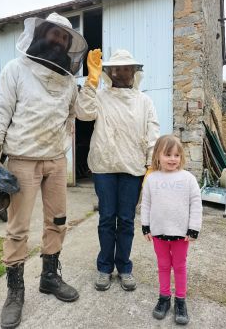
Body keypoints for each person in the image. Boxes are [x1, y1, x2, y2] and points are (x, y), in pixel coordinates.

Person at [0, 12, 97, 329]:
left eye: (64, 38)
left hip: (57, 160)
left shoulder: (69, 81)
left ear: (68, 45)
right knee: (17, 228)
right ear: (41, 34)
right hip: (22, 160)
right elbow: (0, 111)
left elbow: (86, 114)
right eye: (54, 34)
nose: (58, 41)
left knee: (58, 221)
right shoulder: (15, 70)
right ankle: (15, 292)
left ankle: (49, 277)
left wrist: (93, 82)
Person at [75, 49, 160, 291]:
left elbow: (152, 134)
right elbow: (83, 114)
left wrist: (151, 166)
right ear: (109, 72)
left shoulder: (145, 101)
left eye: (126, 68)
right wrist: (90, 83)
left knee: (125, 220)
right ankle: (104, 268)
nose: (121, 72)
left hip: (133, 168)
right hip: (104, 166)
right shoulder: (100, 96)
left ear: (134, 71)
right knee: (106, 218)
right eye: (116, 69)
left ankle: (124, 267)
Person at [141, 135, 202, 325]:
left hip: (181, 235)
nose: (172, 159)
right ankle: (164, 297)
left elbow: (196, 204)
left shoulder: (188, 178)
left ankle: (181, 301)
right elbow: (146, 204)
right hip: (158, 232)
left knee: (180, 267)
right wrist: (145, 226)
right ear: (157, 155)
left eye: (176, 155)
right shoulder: (151, 179)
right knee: (163, 266)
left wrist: (193, 229)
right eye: (168, 154)